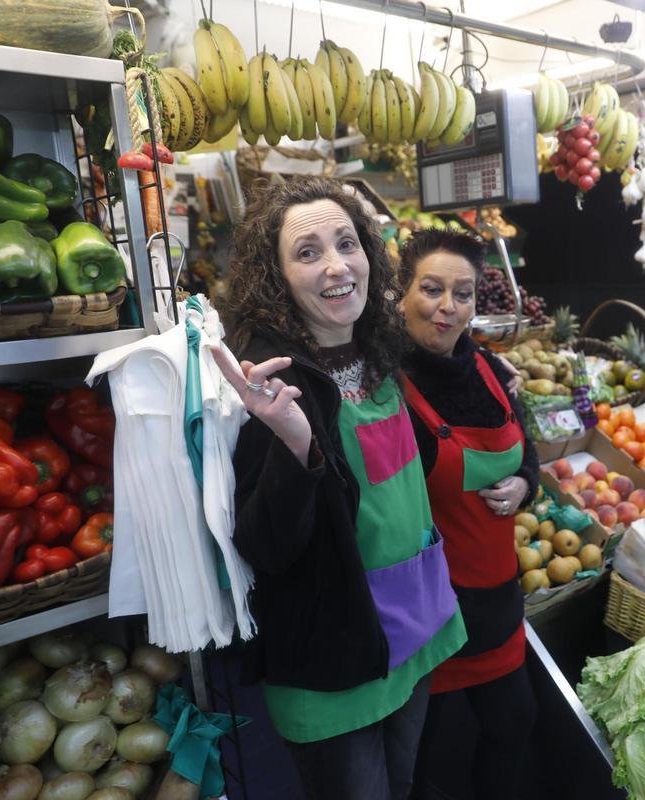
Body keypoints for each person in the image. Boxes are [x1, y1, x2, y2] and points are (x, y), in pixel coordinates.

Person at [216, 177, 466, 800]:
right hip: (335, 653)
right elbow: (265, 545)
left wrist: (481, 366)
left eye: (347, 243)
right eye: (308, 252)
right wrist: (296, 445)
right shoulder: (268, 383)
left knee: (403, 784)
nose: (336, 265)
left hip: (412, 621)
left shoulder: (380, 348)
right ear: (275, 278)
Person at [397, 229, 539, 800]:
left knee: (514, 725)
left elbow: (526, 447)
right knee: (427, 758)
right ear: (401, 294)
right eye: (432, 289)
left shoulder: (487, 368)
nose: (448, 307)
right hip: (431, 610)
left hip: (498, 599)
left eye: (463, 294)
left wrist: (524, 483)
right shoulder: (385, 386)